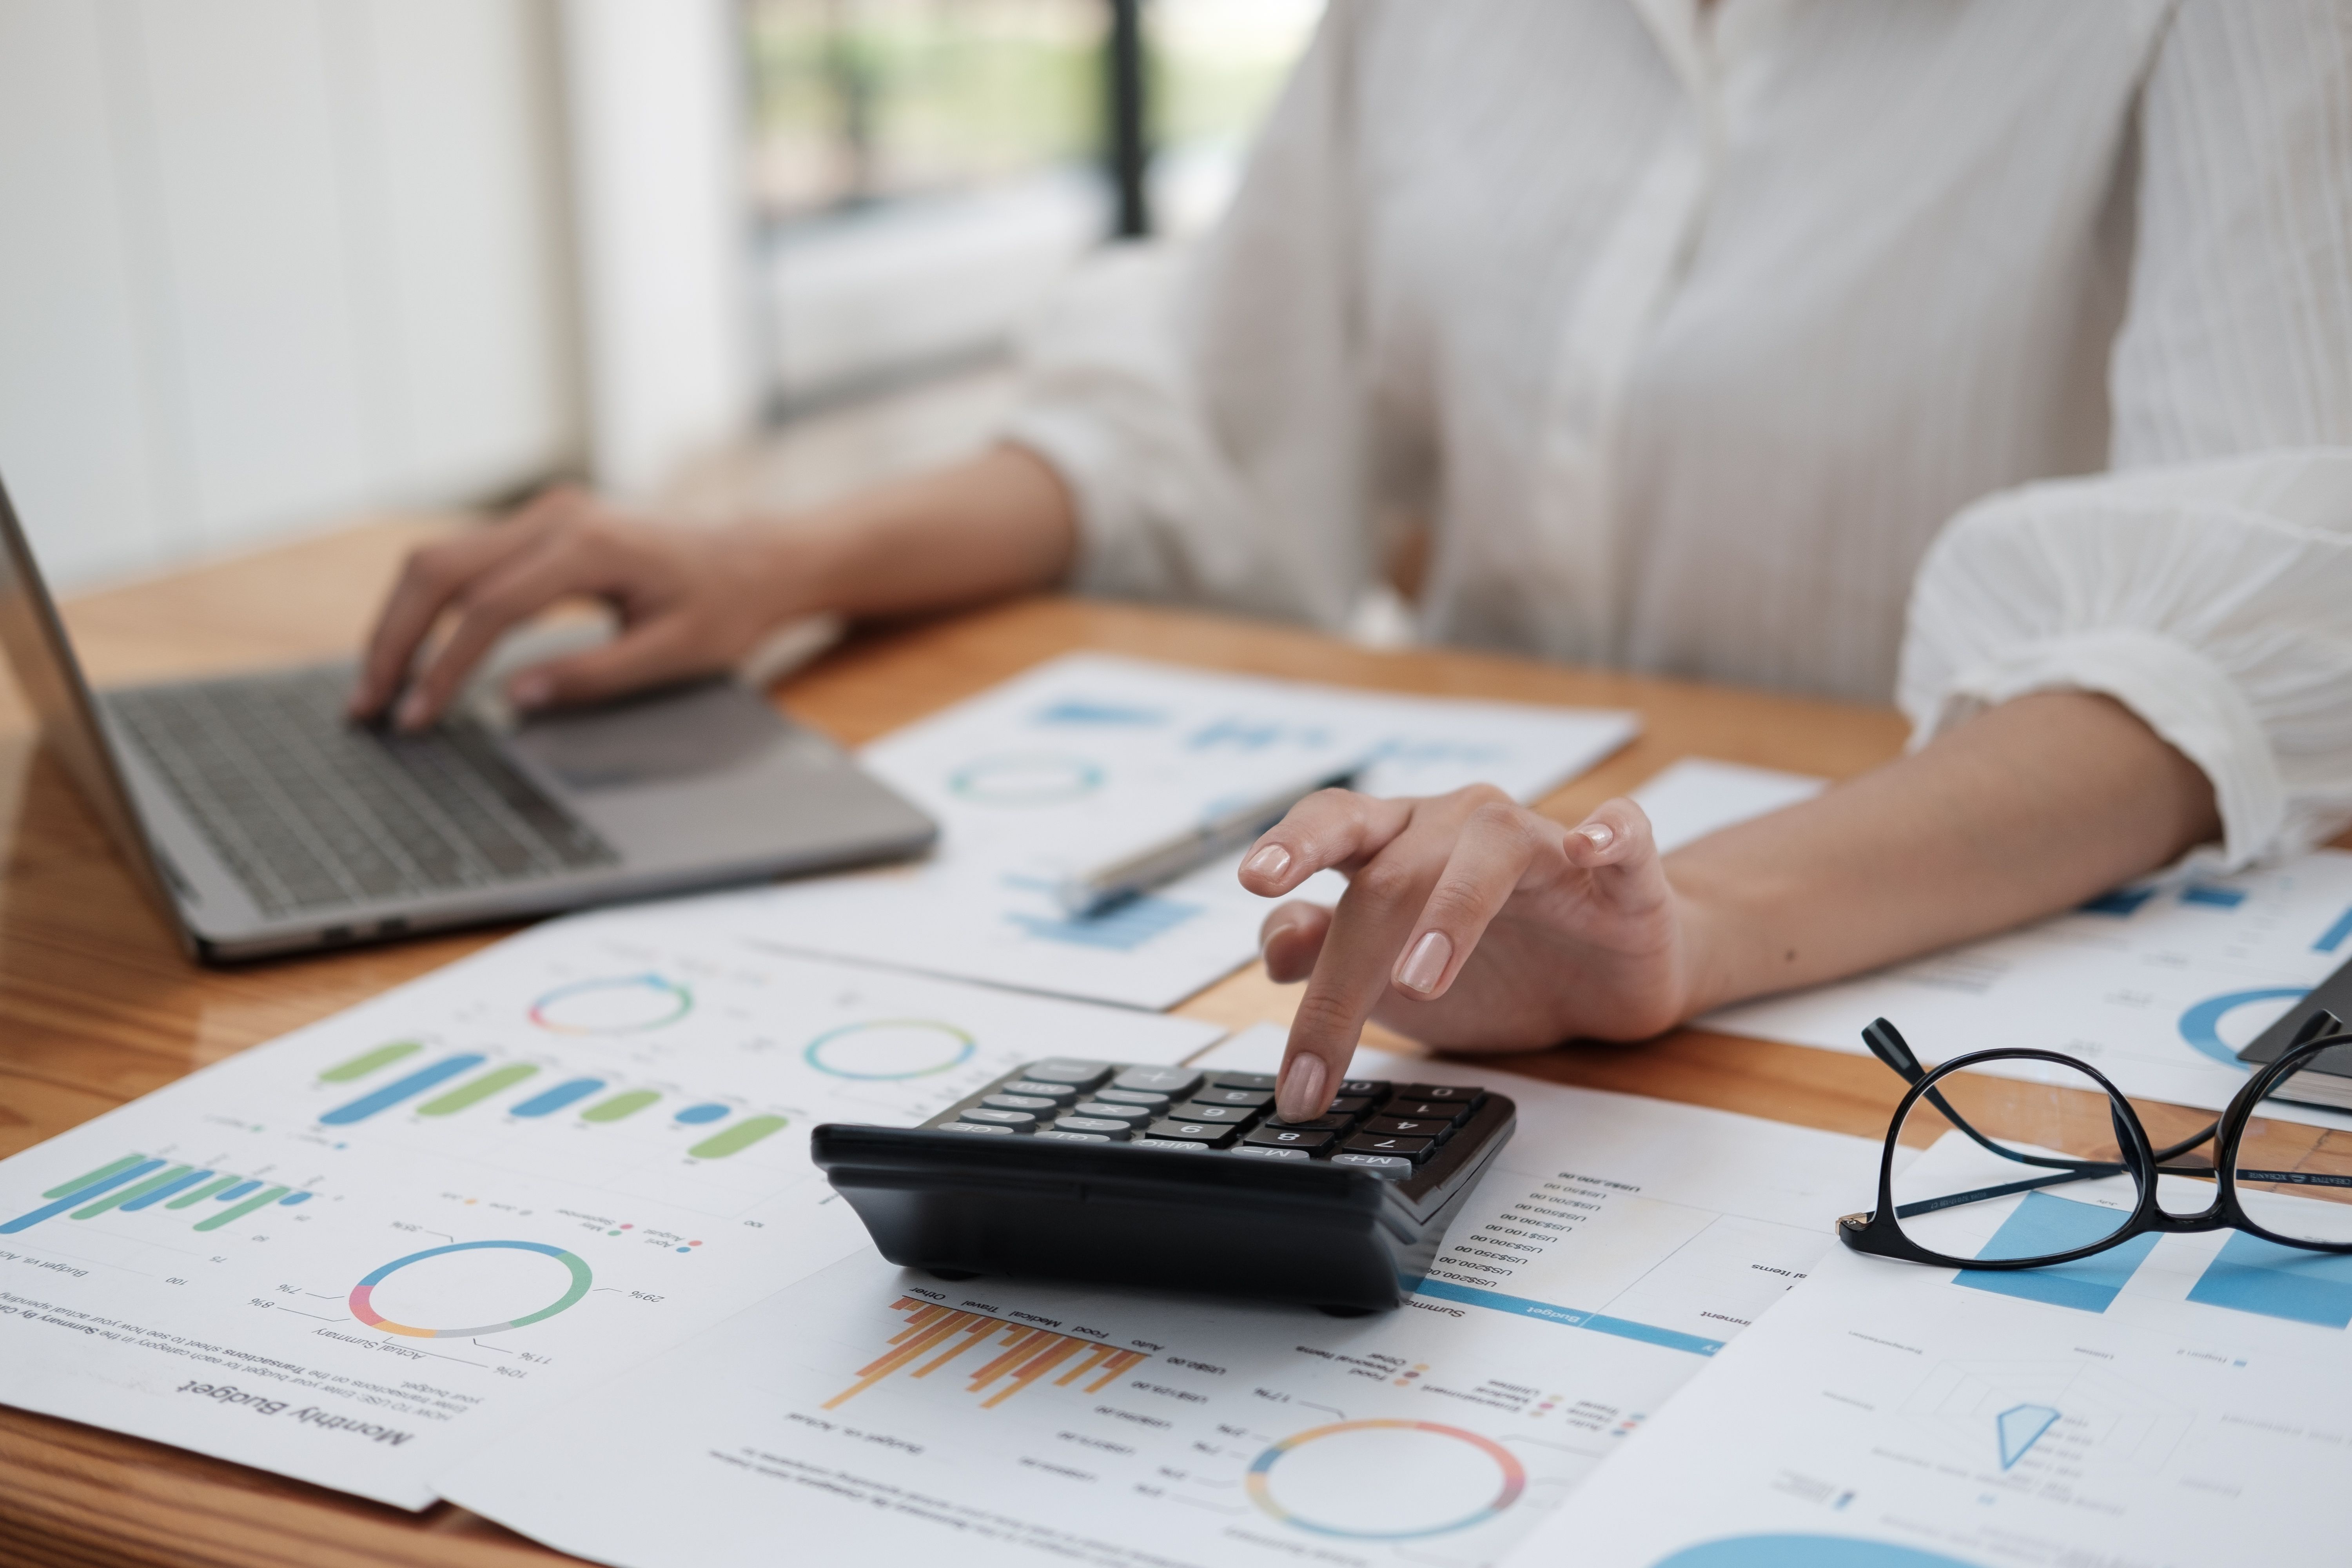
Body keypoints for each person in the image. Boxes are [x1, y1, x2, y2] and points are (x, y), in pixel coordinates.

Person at [351, 1, 2352, 1124]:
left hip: (1871, 1010)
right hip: (1470, 959)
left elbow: (2240, 641)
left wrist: (1671, 934)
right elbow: (1211, 416)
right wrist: (771, 551)